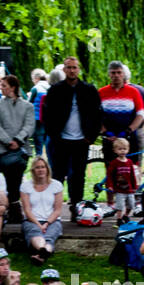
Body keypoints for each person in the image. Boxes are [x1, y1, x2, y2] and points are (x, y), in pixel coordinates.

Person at [42, 57, 101, 219]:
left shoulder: (88, 90)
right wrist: (54, 136)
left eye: (74, 67)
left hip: (82, 140)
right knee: (58, 174)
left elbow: (97, 115)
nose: (72, 70)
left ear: (78, 69)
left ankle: (77, 207)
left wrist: (91, 136)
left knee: (78, 174)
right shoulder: (55, 90)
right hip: (61, 139)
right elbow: (47, 115)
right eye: (68, 67)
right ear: (64, 70)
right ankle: (55, 209)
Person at [0, 75, 35, 210]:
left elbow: (30, 125)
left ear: (13, 87)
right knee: (2, 180)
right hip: (2, 150)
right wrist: (8, 141)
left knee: (17, 179)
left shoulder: (27, 106)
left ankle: (13, 205)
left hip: (21, 150)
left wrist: (18, 140)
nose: (1, 88)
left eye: (4, 86)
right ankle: (4, 206)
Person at [98, 61, 144, 168]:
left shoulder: (133, 91)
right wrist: (105, 131)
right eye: (113, 73)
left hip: (128, 137)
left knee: (132, 169)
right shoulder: (101, 92)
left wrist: (129, 130)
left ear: (123, 74)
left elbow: (140, 114)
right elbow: (96, 116)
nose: (116, 76)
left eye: (119, 72)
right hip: (110, 138)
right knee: (111, 170)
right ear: (109, 74)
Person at [20, 156, 64, 263]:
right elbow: (27, 210)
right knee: (35, 232)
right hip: (32, 220)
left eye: (43, 167)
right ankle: (43, 252)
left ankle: (40, 255)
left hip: (52, 220)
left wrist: (47, 223)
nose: (40, 170)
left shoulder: (56, 185)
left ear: (47, 169)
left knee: (50, 237)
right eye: (37, 167)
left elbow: (57, 210)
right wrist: (39, 224)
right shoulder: (26, 186)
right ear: (33, 171)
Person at [105, 136, 139, 225]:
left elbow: (132, 175)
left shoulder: (130, 162)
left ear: (128, 150)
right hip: (119, 189)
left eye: (124, 149)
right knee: (120, 206)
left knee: (131, 204)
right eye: (120, 149)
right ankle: (119, 219)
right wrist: (110, 186)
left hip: (129, 189)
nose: (122, 151)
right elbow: (109, 176)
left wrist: (134, 186)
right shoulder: (114, 163)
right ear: (115, 150)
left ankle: (126, 215)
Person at [27, 68, 50, 157]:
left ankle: (39, 157)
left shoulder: (35, 88)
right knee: (46, 140)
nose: (33, 81)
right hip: (47, 118)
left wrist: (28, 96)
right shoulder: (50, 86)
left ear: (36, 78)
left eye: (32, 79)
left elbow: (28, 103)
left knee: (38, 140)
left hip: (37, 118)